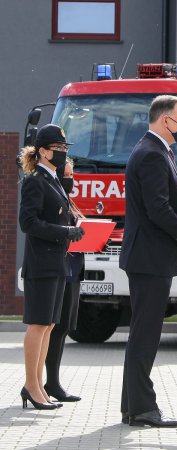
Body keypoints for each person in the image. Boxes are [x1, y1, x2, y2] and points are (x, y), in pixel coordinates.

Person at [119, 95, 177, 428]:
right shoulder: (153, 154)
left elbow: (166, 199)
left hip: (147, 257)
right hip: (151, 257)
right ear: (165, 119)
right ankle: (143, 409)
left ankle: (132, 407)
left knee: (142, 333)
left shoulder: (156, 150)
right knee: (145, 335)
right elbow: (157, 209)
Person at [19, 124, 85, 410]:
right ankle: (31, 387)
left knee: (48, 325)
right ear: (43, 151)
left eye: (64, 149)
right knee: (38, 324)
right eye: (58, 149)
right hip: (42, 263)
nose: (62, 153)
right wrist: (65, 232)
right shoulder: (35, 180)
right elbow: (28, 223)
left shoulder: (54, 179)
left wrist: (76, 228)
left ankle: (37, 387)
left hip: (56, 262)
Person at [44, 158, 84, 402]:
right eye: (68, 174)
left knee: (64, 327)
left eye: (73, 174)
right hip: (60, 269)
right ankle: (50, 383)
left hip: (74, 269)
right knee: (54, 328)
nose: (72, 179)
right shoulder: (53, 199)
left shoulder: (69, 201)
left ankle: (53, 383)